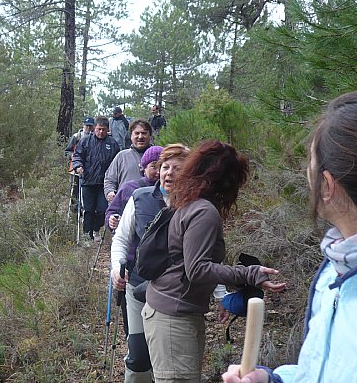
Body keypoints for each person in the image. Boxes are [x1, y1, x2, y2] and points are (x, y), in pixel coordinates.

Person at [222, 89, 357, 383]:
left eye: (310, 164)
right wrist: (273, 380)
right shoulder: (336, 267)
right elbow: (323, 369)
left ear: (326, 185)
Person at [142, 140, 286, 383]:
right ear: (227, 180)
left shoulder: (187, 203)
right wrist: (248, 274)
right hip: (172, 318)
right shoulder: (203, 211)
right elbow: (197, 269)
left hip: (172, 311)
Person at [110, 144, 190, 383]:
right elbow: (121, 239)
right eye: (165, 167)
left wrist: (219, 294)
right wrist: (116, 268)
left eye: (177, 168)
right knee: (138, 355)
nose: (169, 173)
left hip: (174, 294)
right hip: (136, 288)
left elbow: (204, 255)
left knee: (166, 359)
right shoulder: (140, 198)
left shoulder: (195, 206)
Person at [72, 116, 120, 245]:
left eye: (103, 130)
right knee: (88, 209)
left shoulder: (112, 143)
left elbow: (117, 162)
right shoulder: (85, 141)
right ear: (94, 128)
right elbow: (77, 156)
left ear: (107, 130)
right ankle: (87, 234)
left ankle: (96, 229)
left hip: (105, 183)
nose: (101, 132)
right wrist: (78, 166)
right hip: (88, 181)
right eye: (98, 129)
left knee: (102, 209)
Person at [106, 145, 163, 231]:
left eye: (162, 166)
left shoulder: (172, 190)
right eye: (153, 166)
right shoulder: (129, 188)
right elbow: (112, 211)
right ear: (144, 168)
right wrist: (111, 220)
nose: (158, 171)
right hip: (133, 241)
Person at [104, 119, 152, 203]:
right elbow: (109, 179)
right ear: (131, 136)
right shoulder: (121, 156)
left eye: (144, 133)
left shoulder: (159, 156)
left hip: (151, 206)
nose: (140, 137)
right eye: (137, 133)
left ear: (150, 136)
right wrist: (110, 192)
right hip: (125, 206)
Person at [65, 117, 95, 210]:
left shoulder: (95, 138)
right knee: (75, 191)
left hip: (90, 171)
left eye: (90, 126)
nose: (88, 128)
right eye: (87, 126)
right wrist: (73, 157)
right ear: (83, 125)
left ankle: (85, 210)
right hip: (75, 169)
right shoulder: (76, 136)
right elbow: (67, 151)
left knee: (87, 192)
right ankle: (74, 212)